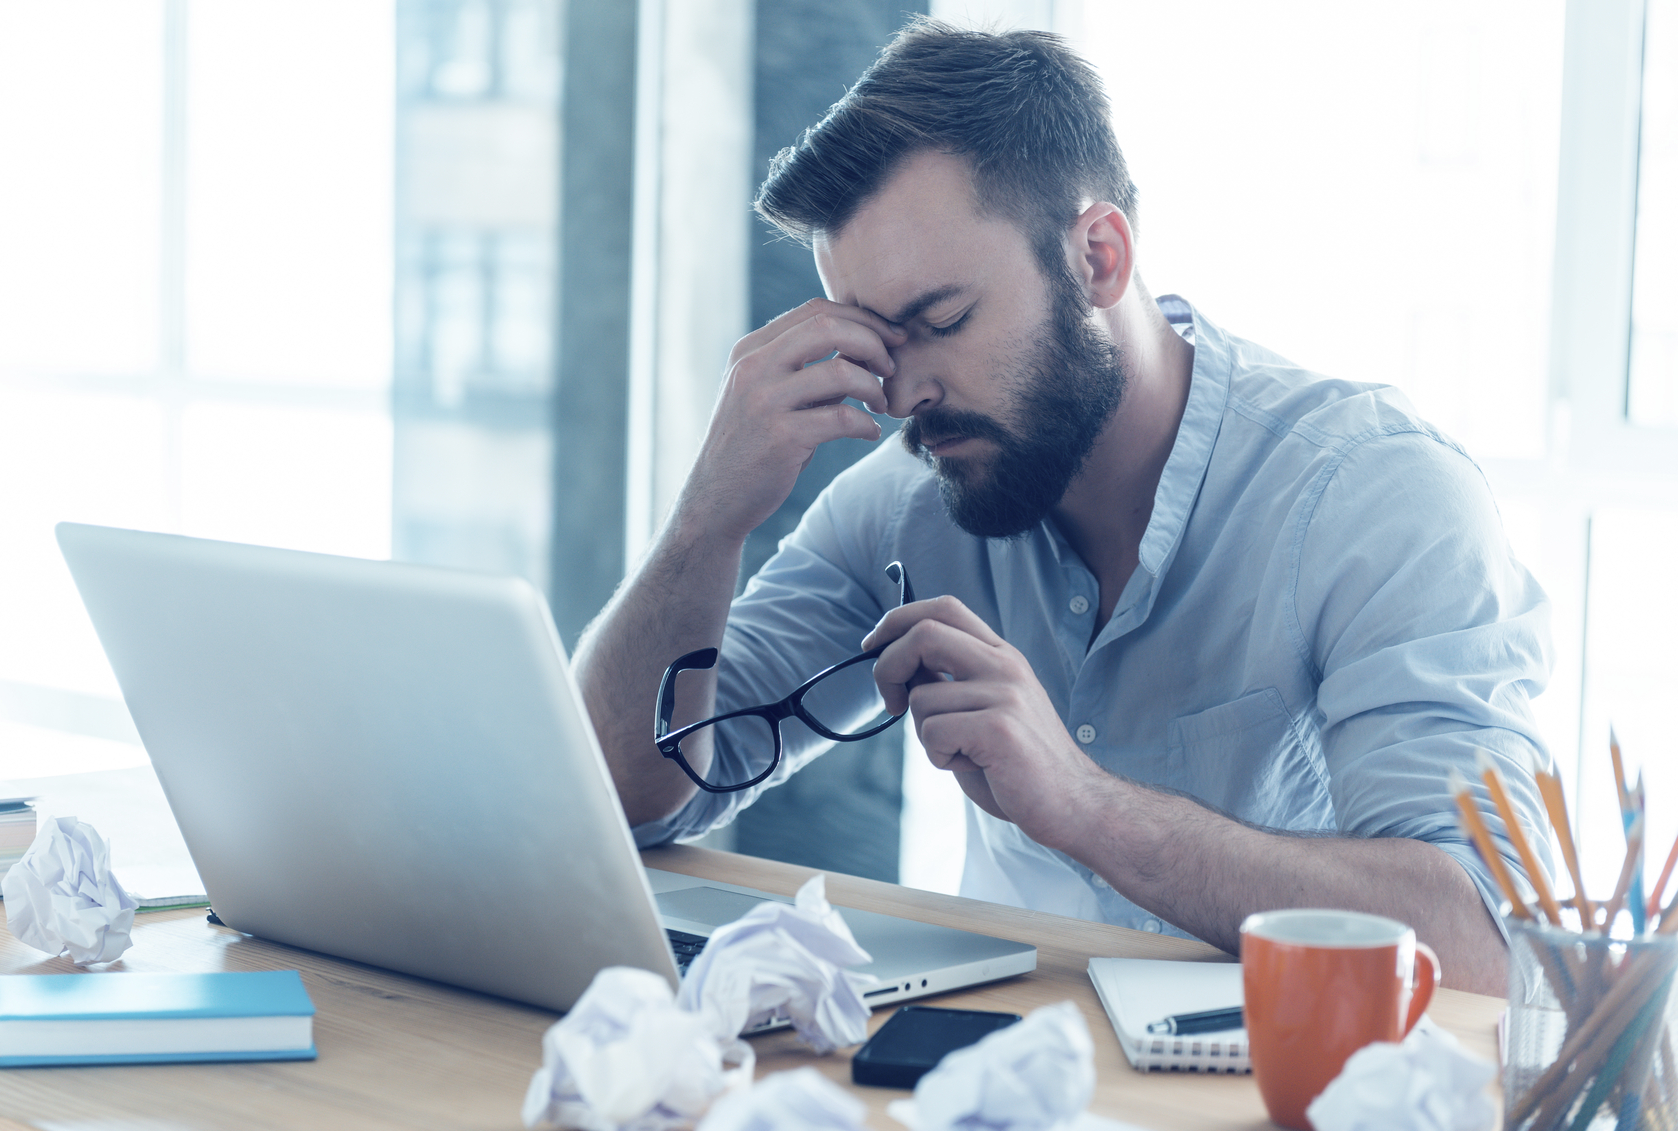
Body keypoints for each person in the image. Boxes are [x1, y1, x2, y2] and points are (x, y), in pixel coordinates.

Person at [571, 19, 1551, 993]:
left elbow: (1483, 942)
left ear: (1098, 257)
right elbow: (628, 796)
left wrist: (1085, 805)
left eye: (942, 321)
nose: (904, 393)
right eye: (874, 344)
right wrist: (708, 517)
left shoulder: (1376, 500)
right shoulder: (900, 510)